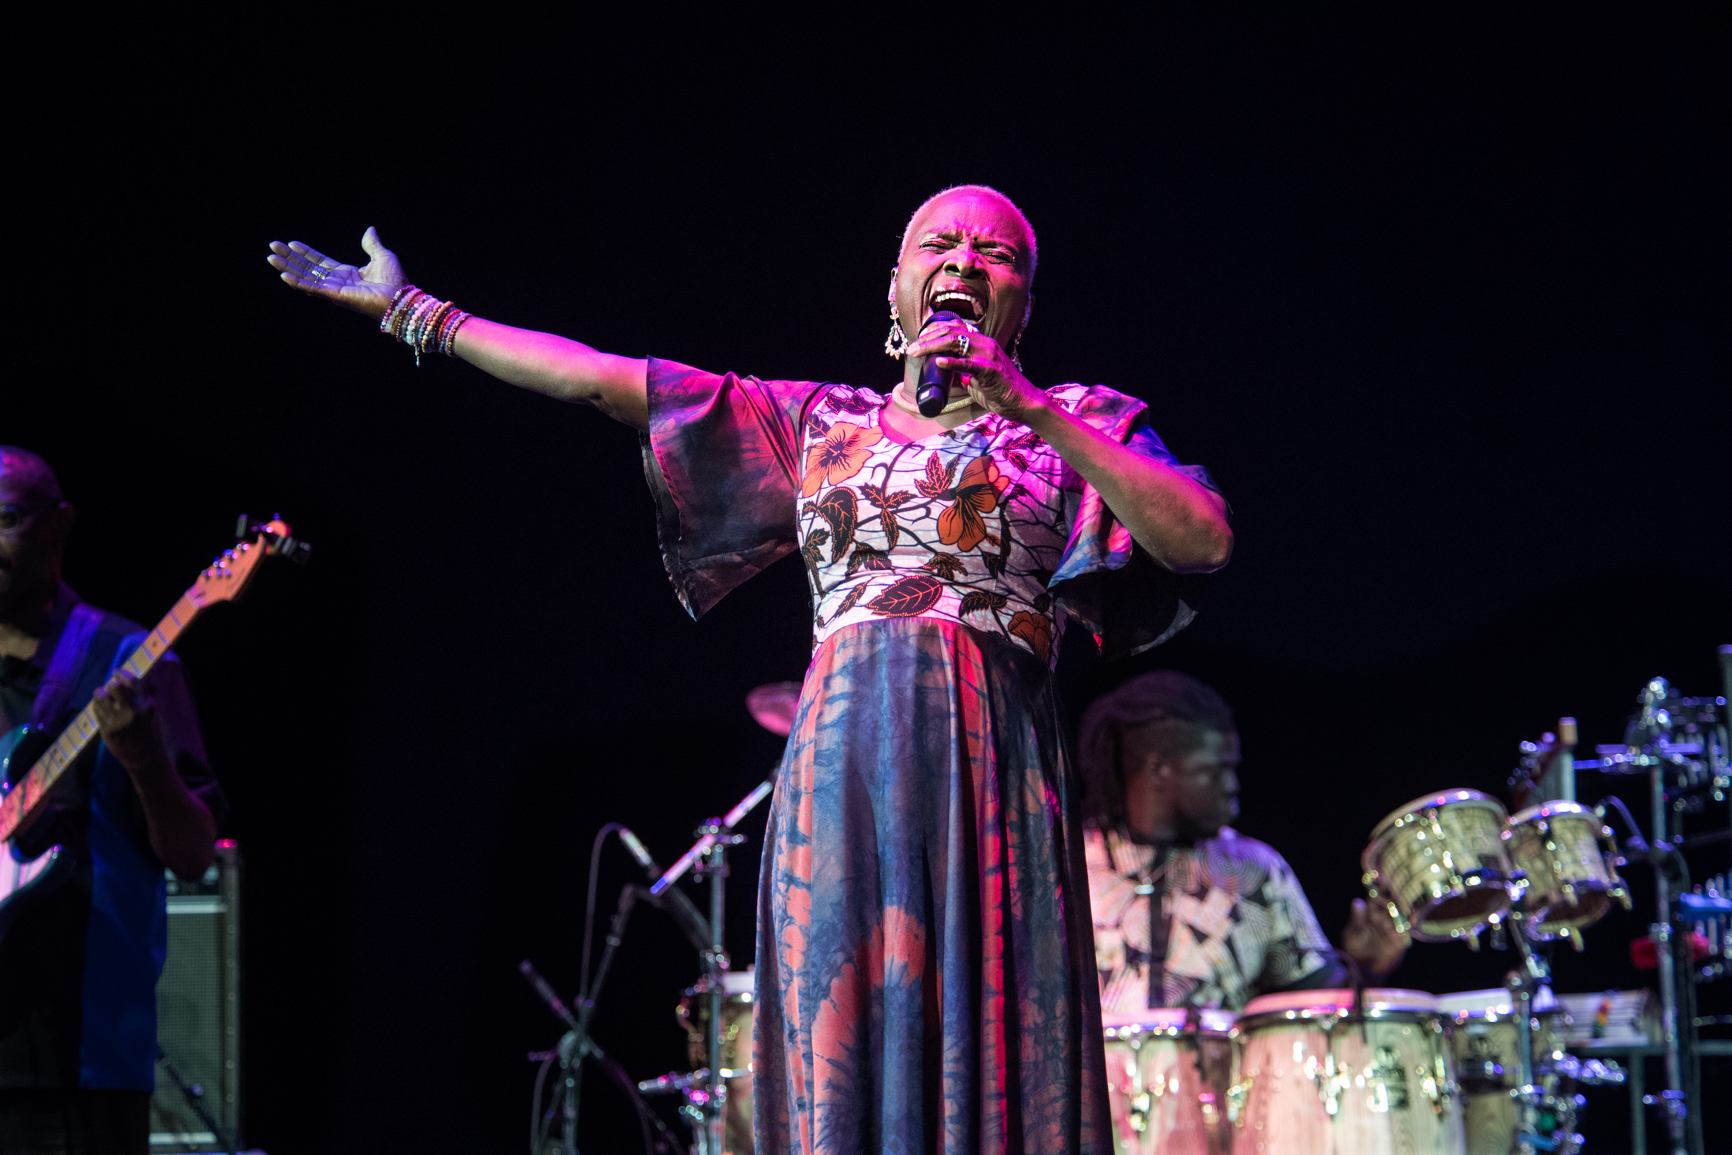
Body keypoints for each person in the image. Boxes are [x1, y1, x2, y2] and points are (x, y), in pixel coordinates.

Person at [267, 184, 1233, 1155]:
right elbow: (598, 379)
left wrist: (1024, 405)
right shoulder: (817, 424)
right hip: (840, 776)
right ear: (894, 289)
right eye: (940, 245)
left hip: (991, 776)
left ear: (1023, 305)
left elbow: (1200, 540)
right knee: (837, 1053)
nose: (965, 264)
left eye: (998, 254)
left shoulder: (1075, 421)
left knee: (987, 1051)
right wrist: (412, 312)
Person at [0, 447, 224, 1154]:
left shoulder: (130, 658)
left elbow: (192, 855)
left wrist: (146, 759)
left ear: (59, 526)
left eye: (3, 519)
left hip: (79, 1061)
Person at [1078, 671, 1408, 1017]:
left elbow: (1317, 1018)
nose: (1232, 785)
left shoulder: (1254, 869)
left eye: (1233, 768)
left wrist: (1366, 967)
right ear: (1158, 769)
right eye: (1215, 771)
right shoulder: (1067, 868)